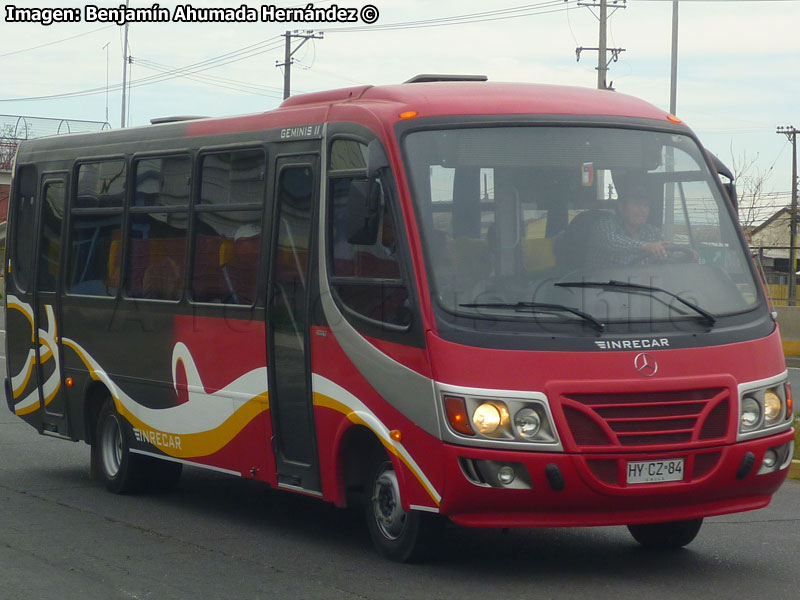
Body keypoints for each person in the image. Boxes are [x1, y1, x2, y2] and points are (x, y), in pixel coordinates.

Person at [587, 179, 669, 268]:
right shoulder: (604, 225)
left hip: (644, 281)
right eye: (636, 204)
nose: (643, 210)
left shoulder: (653, 232)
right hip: (601, 280)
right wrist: (645, 246)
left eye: (646, 205)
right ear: (621, 207)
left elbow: (669, 253)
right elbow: (611, 242)